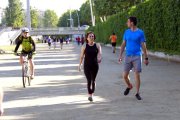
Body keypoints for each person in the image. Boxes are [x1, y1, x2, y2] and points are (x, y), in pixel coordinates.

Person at [119, 16, 149, 100]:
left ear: (132, 23)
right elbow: (123, 44)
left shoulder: (140, 32)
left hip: (137, 56)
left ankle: (137, 93)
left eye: (128, 22)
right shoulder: (126, 32)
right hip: (128, 56)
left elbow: (143, 46)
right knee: (125, 76)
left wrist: (146, 58)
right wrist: (120, 55)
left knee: (137, 75)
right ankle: (129, 86)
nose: (127, 23)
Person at [78, 31, 102, 102]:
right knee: (89, 80)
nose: (91, 37)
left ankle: (92, 92)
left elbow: (100, 53)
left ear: (94, 37)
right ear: (87, 38)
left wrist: (99, 58)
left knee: (93, 80)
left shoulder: (97, 45)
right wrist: (80, 65)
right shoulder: (84, 46)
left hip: (95, 65)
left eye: (92, 36)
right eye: (90, 36)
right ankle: (90, 95)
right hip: (87, 66)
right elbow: (82, 56)